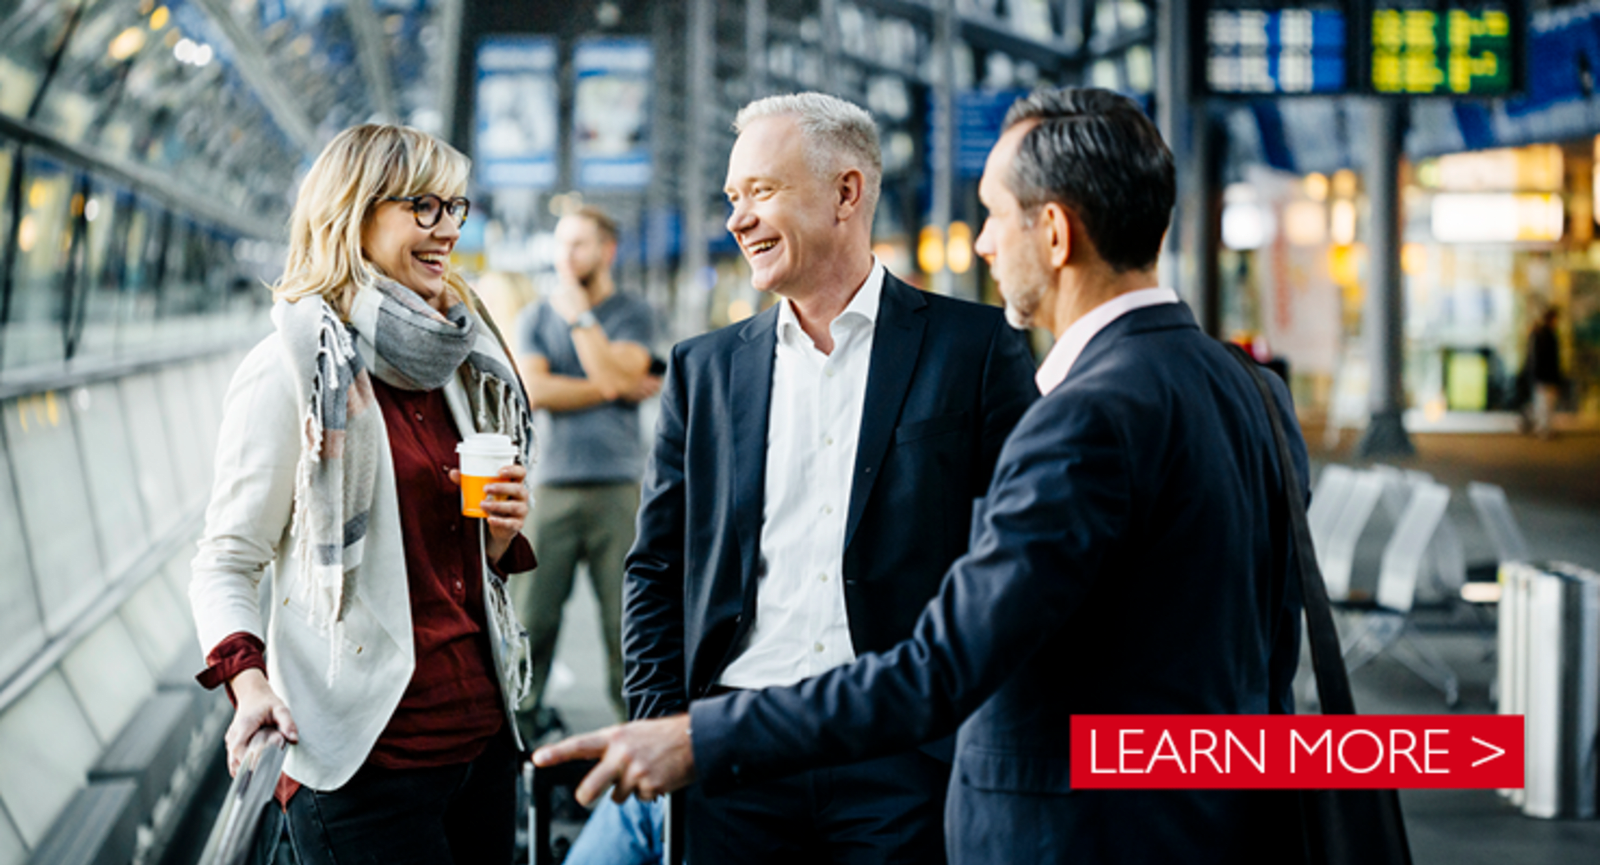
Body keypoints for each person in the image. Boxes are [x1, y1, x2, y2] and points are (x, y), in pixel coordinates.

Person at [536, 87, 1311, 864]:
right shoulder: (1255, 391)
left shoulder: (1078, 415)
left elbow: (949, 660)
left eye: (993, 216)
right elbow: (1272, 647)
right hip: (1224, 814)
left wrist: (696, 738)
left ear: (1053, 231)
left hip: (1074, 820)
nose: (979, 244)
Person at [619, 92, 1037, 863]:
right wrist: (661, 719)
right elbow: (657, 564)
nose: (738, 219)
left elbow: (1013, 563)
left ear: (847, 193)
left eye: (762, 192)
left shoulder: (977, 350)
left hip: (903, 752)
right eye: (733, 198)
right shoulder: (702, 370)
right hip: (731, 750)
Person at [189, 124, 538, 864]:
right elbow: (225, 558)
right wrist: (247, 685)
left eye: (455, 207)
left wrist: (499, 540)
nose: (447, 228)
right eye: (423, 206)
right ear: (353, 212)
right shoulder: (292, 367)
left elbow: (454, 560)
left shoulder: (455, 359)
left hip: (482, 739)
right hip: (367, 764)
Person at [514, 204, 660, 736]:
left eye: (579, 244)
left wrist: (578, 315)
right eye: (561, 244)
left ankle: (638, 732)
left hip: (619, 486)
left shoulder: (634, 313)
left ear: (607, 251)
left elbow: (618, 369)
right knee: (533, 619)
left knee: (628, 620)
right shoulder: (533, 316)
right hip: (549, 486)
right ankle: (522, 731)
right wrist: (611, 387)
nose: (566, 256)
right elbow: (534, 389)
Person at [1525, 306, 1564, 439]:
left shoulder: (1540, 334)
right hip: (1546, 376)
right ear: (1552, 319)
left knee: (1542, 403)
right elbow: (1549, 359)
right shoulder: (1548, 336)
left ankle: (1541, 428)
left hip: (1540, 376)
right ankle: (1544, 429)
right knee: (1546, 404)